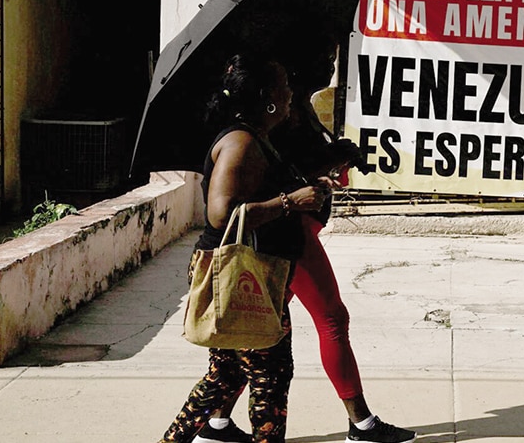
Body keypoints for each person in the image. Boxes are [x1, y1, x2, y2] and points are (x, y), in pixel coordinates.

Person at [201, 25, 415, 443]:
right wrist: (308, 181)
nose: (331, 67)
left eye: (334, 59)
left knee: (253, 333)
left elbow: (296, 164)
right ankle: (362, 423)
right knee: (331, 320)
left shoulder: (296, 104)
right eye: (324, 58)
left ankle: (215, 421)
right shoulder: (276, 112)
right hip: (288, 235)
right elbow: (275, 176)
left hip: (294, 230)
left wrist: (337, 156)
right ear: (298, 64)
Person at [160, 53, 334, 443]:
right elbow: (221, 214)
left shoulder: (258, 137)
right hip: (242, 274)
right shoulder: (240, 142)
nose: (291, 92)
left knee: (226, 374)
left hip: (252, 270)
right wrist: (291, 202)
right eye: (284, 85)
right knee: (271, 376)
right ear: (266, 97)